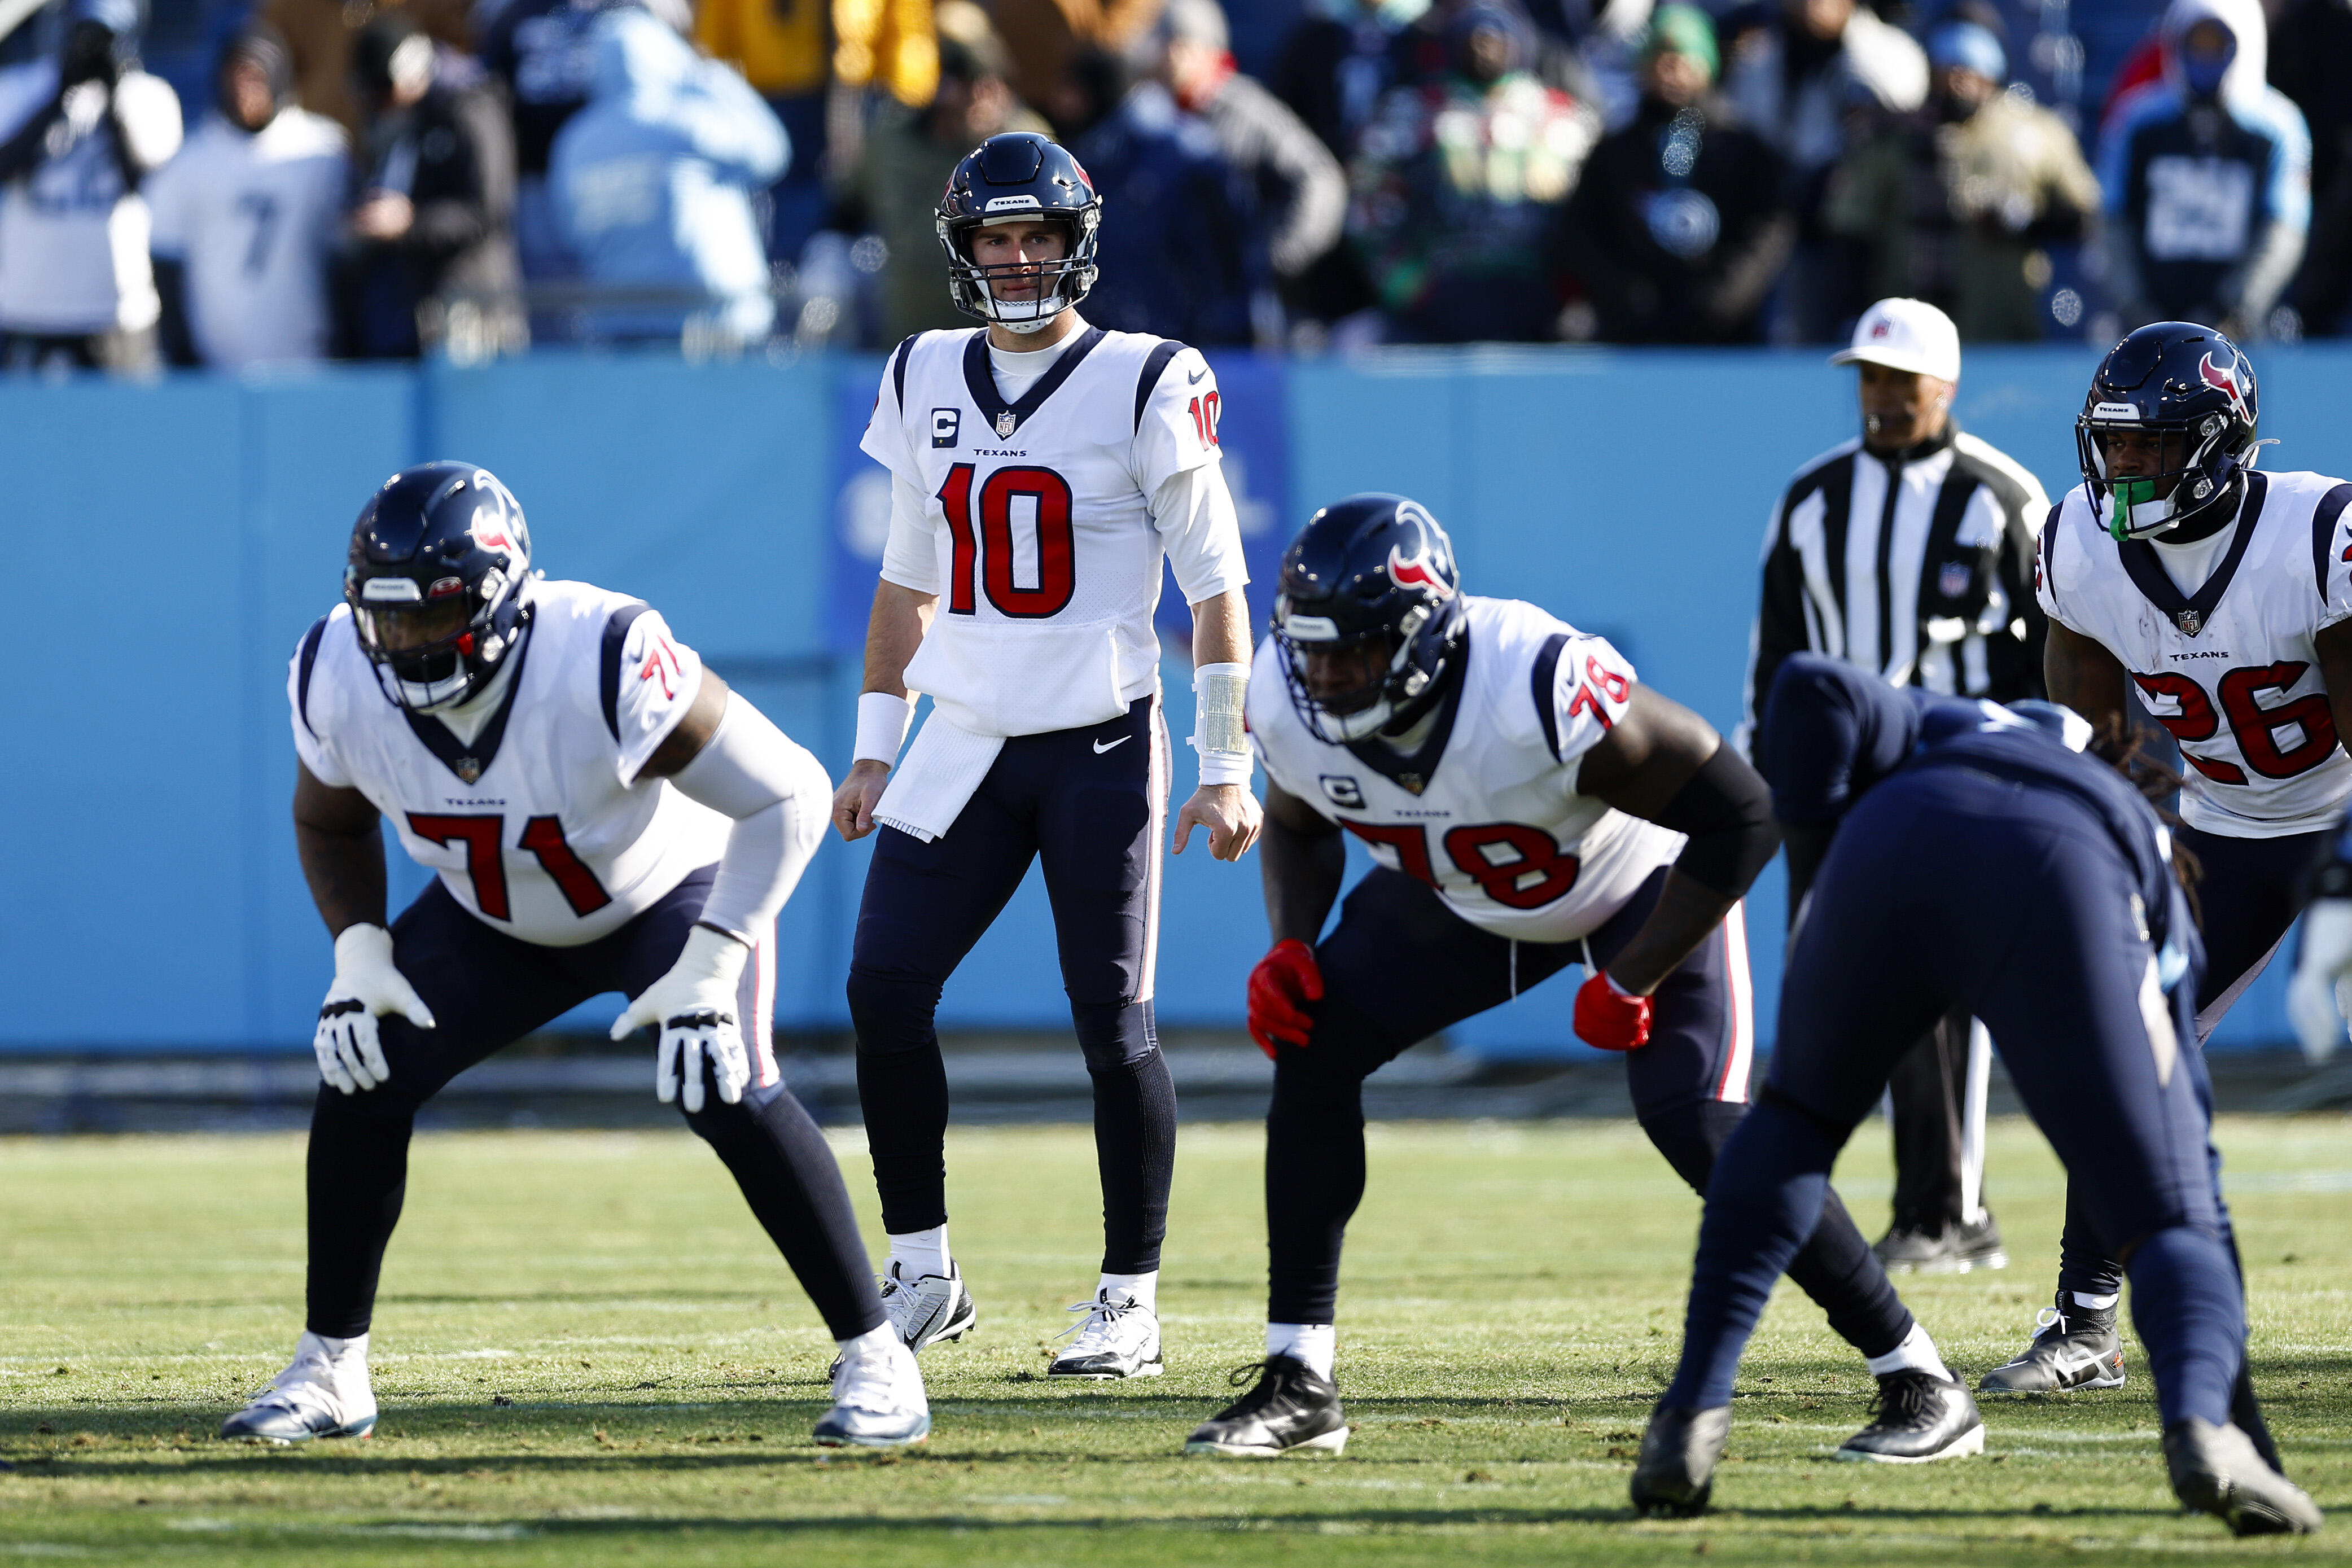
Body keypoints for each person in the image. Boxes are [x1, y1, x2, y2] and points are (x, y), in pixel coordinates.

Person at [1184, 495, 1950, 1462]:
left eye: (1354, 652)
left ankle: (1914, 1371)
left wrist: (1633, 975)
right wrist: (1291, 943)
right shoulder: (1287, 702)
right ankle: (1299, 1380)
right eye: (1312, 651)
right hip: (1466, 897)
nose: (1325, 676)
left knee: (1700, 1124)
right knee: (1313, 1037)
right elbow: (1297, 825)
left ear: (1423, 635)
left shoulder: (1533, 681)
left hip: (1635, 885)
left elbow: (1742, 815)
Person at [218, 461, 927, 1451]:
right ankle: (331, 1368)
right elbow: (327, 821)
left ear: (504, 599)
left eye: (434, 616)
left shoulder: (599, 653)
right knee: (360, 1068)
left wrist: (713, 958)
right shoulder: (334, 667)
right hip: (491, 914)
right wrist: (359, 948)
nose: (407, 644)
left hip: (661, 892)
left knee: (724, 1080)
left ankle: (877, 1355)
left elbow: (791, 794)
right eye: (389, 620)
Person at [1631, 655, 2322, 1538]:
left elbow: (1809, 685)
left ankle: (1690, 1410)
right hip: (2060, 870)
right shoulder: (2137, 830)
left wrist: (1816, 878)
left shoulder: (1938, 724)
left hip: (1890, 843)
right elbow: (2183, 1165)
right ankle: (2202, 1425)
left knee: (1791, 1126)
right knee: (2171, 1210)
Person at [834, 130, 1261, 1382]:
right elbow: (906, 583)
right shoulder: (919, 373)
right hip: (961, 738)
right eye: (995, 237)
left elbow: (1217, 591)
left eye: (1036, 236)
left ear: (1076, 244)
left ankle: (1129, 1298)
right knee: (882, 992)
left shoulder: (1143, 378)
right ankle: (923, 1272)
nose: (1016, 259)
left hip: (1096, 735)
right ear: (962, 249)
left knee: (1110, 1023)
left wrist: (1224, 765)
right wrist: (874, 747)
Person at [2007, 319, 2352, 1395]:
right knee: (2118, 1037)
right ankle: (2084, 1323)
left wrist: (2339, 880)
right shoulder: (2075, 548)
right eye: (2111, 445)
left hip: (2338, 805)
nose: (2123, 468)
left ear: (2216, 441)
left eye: (2150, 446)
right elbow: (2099, 735)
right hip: (2225, 827)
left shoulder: (2312, 535)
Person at [1740, 296, 2047, 1275]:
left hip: (1955, 768)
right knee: (1827, 982)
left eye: (1899, 382)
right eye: (1868, 380)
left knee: (1937, 990)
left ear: (1944, 386)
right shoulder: (1810, 496)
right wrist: (1767, 757)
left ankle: (1948, 1210)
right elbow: (1777, 647)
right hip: (1831, 776)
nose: (1879, 399)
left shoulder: (2001, 495)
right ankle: (1813, 1204)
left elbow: (2056, 645)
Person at [1823, 19, 2098, 343]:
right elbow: (1850, 233)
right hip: (1907, 342)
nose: (1959, 74)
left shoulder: (2038, 131)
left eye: (1974, 60)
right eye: (1948, 59)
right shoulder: (1894, 138)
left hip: (2003, 334)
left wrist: (2025, 221)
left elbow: (2083, 218)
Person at [1345, 4, 1598, 342]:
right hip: (1440, 292)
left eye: (1495, 40)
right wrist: (1403, 282)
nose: (1484, 48)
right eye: (1474, 40)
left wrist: (1575, 289)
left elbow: (1604, 204)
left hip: (1544, 297)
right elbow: (1368, 202)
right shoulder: (1412, 113)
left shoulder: (1563, 120)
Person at [1557, 5, 1793, 345]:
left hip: (1726, 340)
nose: (1672, 71)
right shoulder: (1615, 150)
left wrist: (1723, 299)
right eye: (1661, 58)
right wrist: (1624, 296)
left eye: (1684, 59)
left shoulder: (1739, 148)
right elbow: (1583, 231)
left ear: (1707, 66)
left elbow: (1769, 229)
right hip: (1632, 339)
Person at [549, 9, 785, 347]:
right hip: (713, 327)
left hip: (617, 329)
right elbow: (771, 151)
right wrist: (707, 75)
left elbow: (567, 228)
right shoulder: (685, 123)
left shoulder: (573, 142)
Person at [2099, 0, 2309, 339]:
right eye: (2198, 44)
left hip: (2239, 331)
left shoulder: (2277, 126)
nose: (2206, 58)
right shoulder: (2137, 120)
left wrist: (2237, 308)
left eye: (2218, 46)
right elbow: (2111, 220)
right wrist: (2137, 307)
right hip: (2148, 326)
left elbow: (2284, 228)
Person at [1718, 0, 1926, 342]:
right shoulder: (1758, 59)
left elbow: (1896, 153)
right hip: (1775, 228)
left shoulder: (1890, 57)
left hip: (1862, 237)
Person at [147, 25, 349, 370]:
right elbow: (166, 263)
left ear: (278, 76)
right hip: (216, 360)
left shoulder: (324, 151)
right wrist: (182, 351)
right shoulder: (189, 162)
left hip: (307, 353)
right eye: (237, 77)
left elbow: (344, 257)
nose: (246, 92)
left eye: (257, 77)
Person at [850, 2, 1051, 344]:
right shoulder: (889, 140)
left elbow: (1055, 218)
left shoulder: (1023, 143)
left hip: (1000, 333)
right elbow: (849, 207)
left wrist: (990, 142)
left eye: (971, 77)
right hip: (909, 328)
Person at [0, 0, 181, 374]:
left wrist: (113, 94)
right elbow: (7, 166)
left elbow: (142, 181)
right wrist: (59, 95)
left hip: (119, 313)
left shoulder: (149, 95)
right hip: (26, 309)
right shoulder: (19, 87)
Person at [1152, 0, 1347, 339]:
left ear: (1206, 48)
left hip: (1242, 309)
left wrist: (1276, 256)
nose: (1167, 58)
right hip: (1176, 297)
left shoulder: (1244, 110)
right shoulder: (1152, 115)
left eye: (1179, 45)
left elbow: (1320, 179)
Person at [336, 11, 524, 360]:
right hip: (419, 312)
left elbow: (488, 212)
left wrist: (410, 222)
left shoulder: (470, 107)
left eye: (384, 93)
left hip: (473, 307)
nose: (382, 107)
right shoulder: (401, 125)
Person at [691, 0, 935, 264]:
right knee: (782, 203)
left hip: (855, 87)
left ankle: (842, 282)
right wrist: (708, 73)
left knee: (856, 202)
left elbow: (904, 18)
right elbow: (717, 19)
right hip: (775, 86)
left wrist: (906, 87)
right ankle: (788, 280)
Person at [1062, 49, 1259, 346]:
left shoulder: (1185, 153)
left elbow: (1227, 251)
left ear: (1090, 92)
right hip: (1121, 344)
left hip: (1189, 344)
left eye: (1068, 88)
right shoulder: (1091, 154)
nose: (1059, 100)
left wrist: (1226, 329)